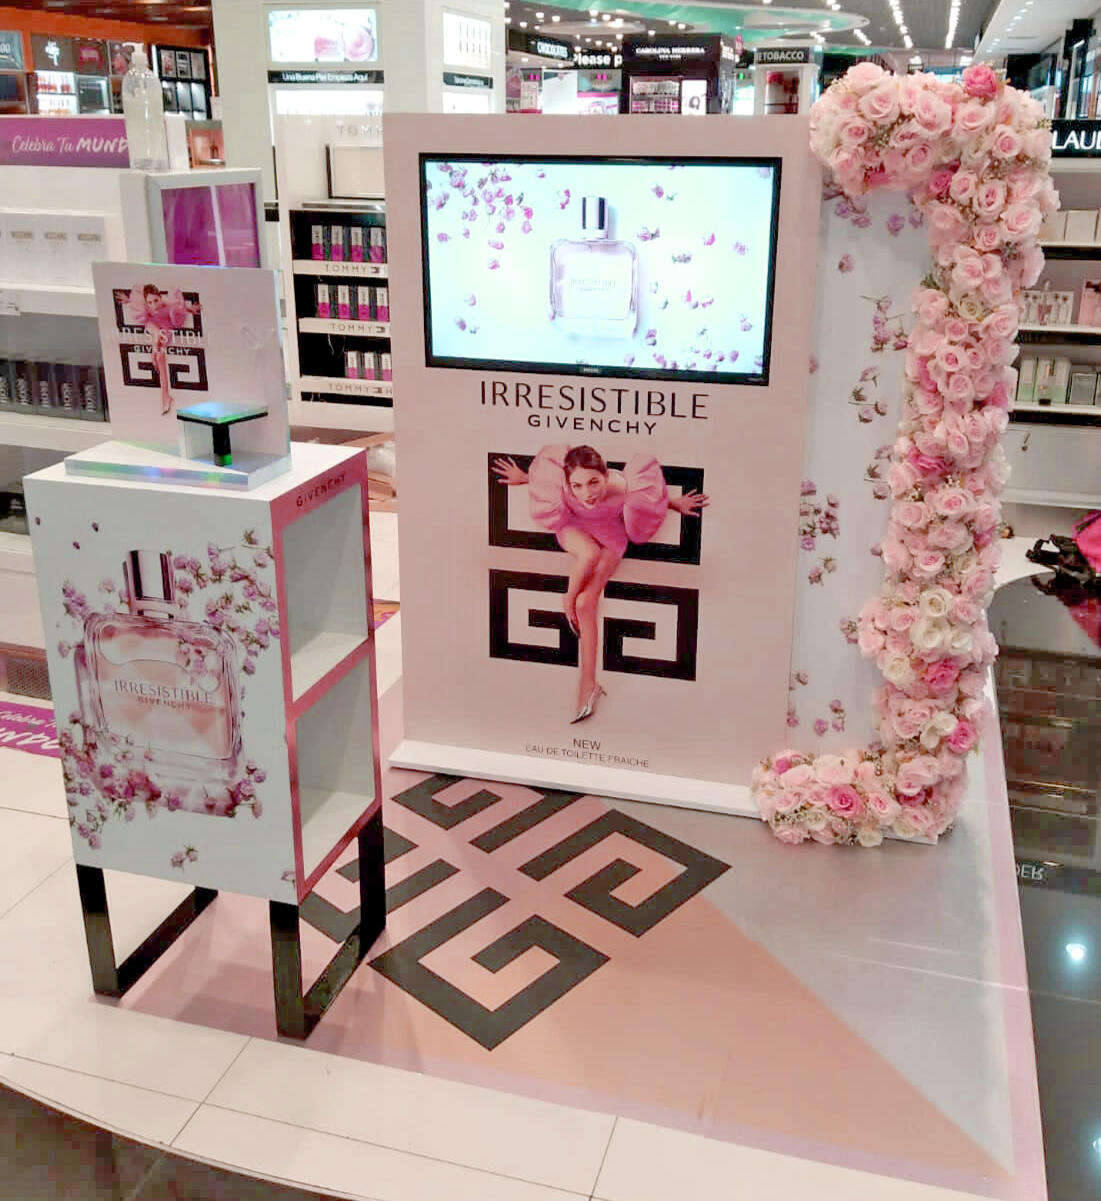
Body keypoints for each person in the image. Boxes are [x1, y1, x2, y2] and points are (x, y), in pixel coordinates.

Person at [493, 444, 708, 723]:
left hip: (611, 537)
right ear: (568, 484)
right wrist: (523, 477)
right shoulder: (566, 487)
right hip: (575, 528)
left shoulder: (623, 488)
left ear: (606, 475)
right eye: (578, 486)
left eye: (594, 482)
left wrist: (675, 503)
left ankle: (588, 685)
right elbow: (547, 481)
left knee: (586, 604)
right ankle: (567, 599)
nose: (587, 493)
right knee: (588, 555)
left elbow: (651, 499)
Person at [116, 285, 201, 415]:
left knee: (160, 354)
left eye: (156, 301)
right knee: (155, 334)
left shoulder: (167, 302)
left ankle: (165, 397)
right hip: (153, 326)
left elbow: (179, 308)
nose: (153, 305)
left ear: (160, 297)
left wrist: (191, 309)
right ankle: (155, 356)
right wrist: (127, 300)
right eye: (150, 302)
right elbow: (138, 303)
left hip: (165, 329)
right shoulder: (147, 305)